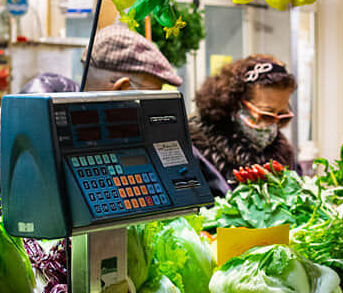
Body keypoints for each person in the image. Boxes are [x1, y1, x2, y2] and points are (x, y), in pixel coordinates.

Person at [20, 23, 229, 195]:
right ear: (123, 89)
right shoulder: (45, 127)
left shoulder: (127, 127)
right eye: (149, 96)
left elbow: (210, 186)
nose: (151, 107)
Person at [190, 55, 298, 184]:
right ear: (236, 103)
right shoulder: (198, 150)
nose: (273, 125)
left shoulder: (283, 153)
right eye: (266, 115)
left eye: (282, 116)